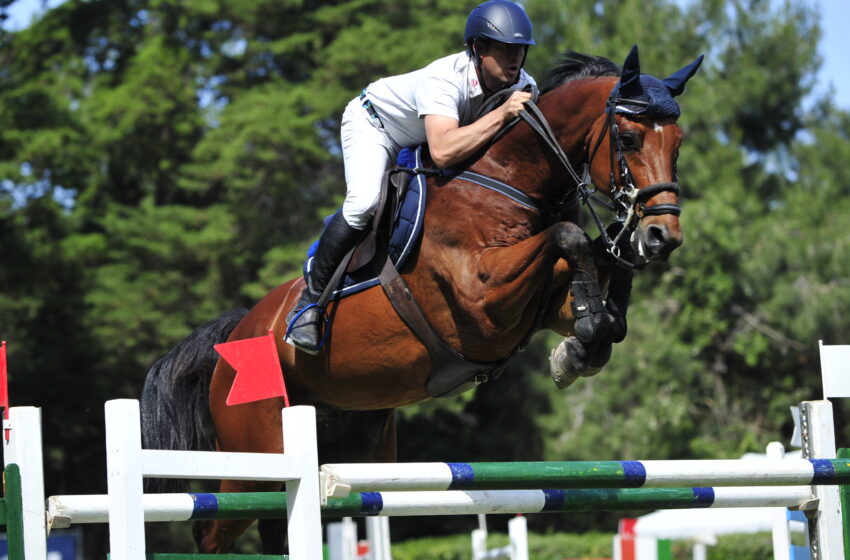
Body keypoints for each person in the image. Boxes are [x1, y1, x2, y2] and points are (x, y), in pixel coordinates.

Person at [285, 0, 537, 354]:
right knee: (365, 203)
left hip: (422, 138)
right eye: (505, 48)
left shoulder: (524, 86)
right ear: (479, 49)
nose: (515, 57)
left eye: (521, 49)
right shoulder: (445, 78)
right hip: (375, 125)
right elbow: (444, 151)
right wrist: (502, 115)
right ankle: (308, 306)